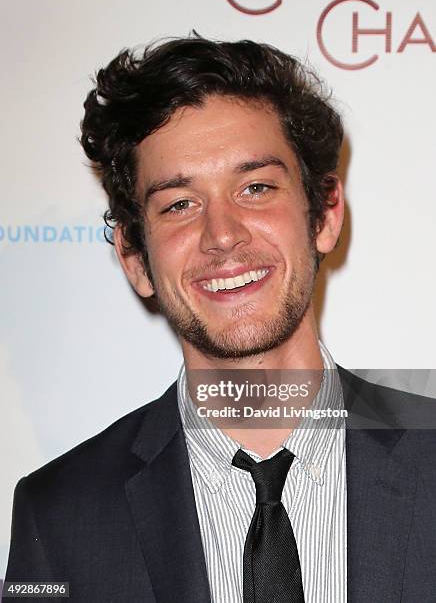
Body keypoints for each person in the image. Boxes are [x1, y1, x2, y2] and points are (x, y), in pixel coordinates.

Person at [5, 35, 436, 603]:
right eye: (179, 204)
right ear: (135, 258)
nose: (223, 234)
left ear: (325, 215)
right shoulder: (61, 514)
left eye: (255, 188)